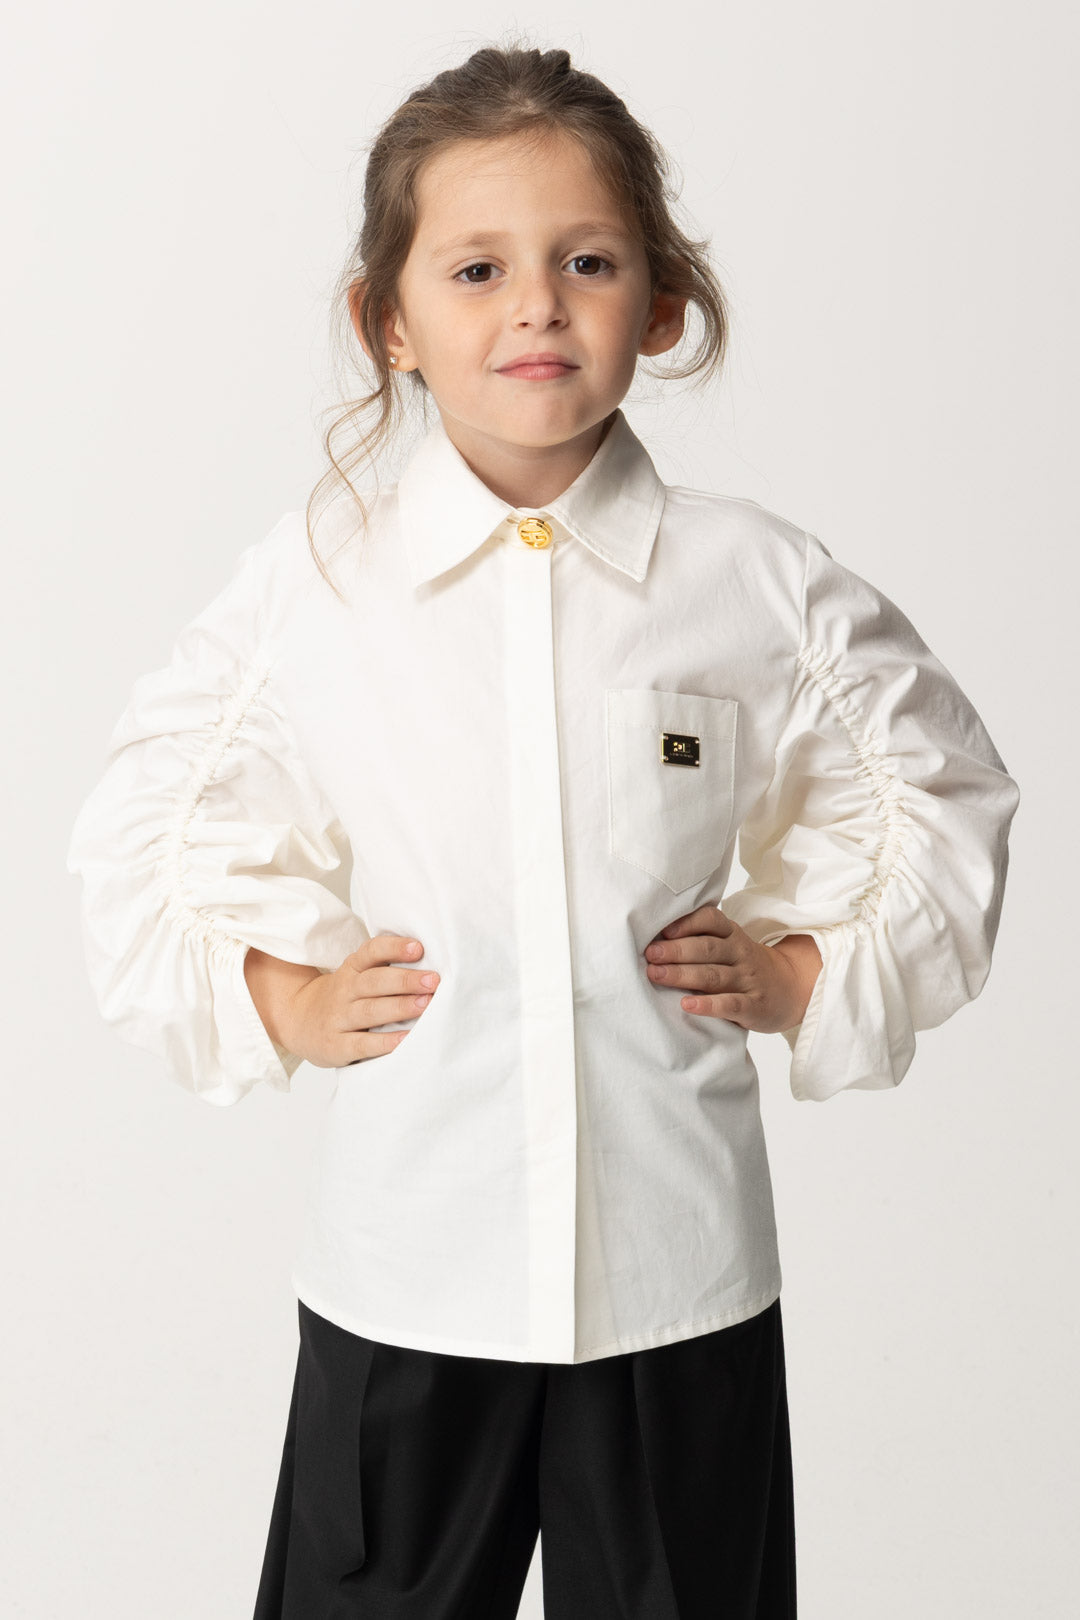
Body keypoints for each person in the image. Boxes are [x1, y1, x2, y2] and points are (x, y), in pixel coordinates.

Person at [65, 39, 1021, 1620]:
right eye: (477, 269)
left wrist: (804, 974)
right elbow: (145, 823)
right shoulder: (320, 581)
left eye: (587, 262)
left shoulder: (755, 581)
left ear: (662, 304)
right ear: (389, 321)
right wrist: (283, 998)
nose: (537, 308)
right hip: (406, 1273)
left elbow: (941, 784)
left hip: (676, 1280)